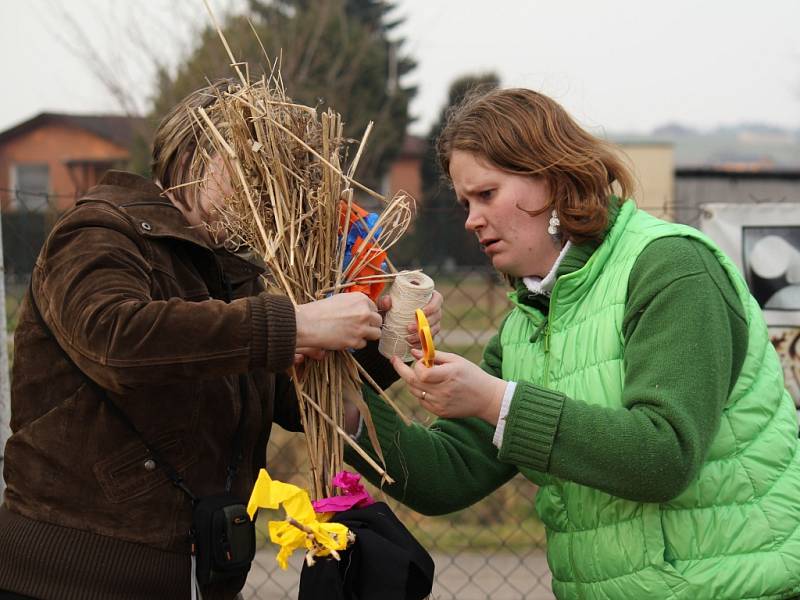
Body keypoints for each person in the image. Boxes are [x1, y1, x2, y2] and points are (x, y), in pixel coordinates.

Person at [345, 88, 800, 599]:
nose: (471, 219)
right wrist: (347, 409)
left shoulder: (671, 270)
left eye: (487, 194)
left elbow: (664, 455)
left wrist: (498, 402)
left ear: (552, 179)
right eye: (465, 202)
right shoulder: (526, 325)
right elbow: (445, 476)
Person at [0, 80, 440, 600]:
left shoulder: (231, 271)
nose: (273, 186)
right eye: (255, 162)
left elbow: (295, 403)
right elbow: (116, 340)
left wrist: (384, 340)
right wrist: (296, 325)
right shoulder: (99, 231)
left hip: (195, 575)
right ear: (194, 153)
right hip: (69, 579)